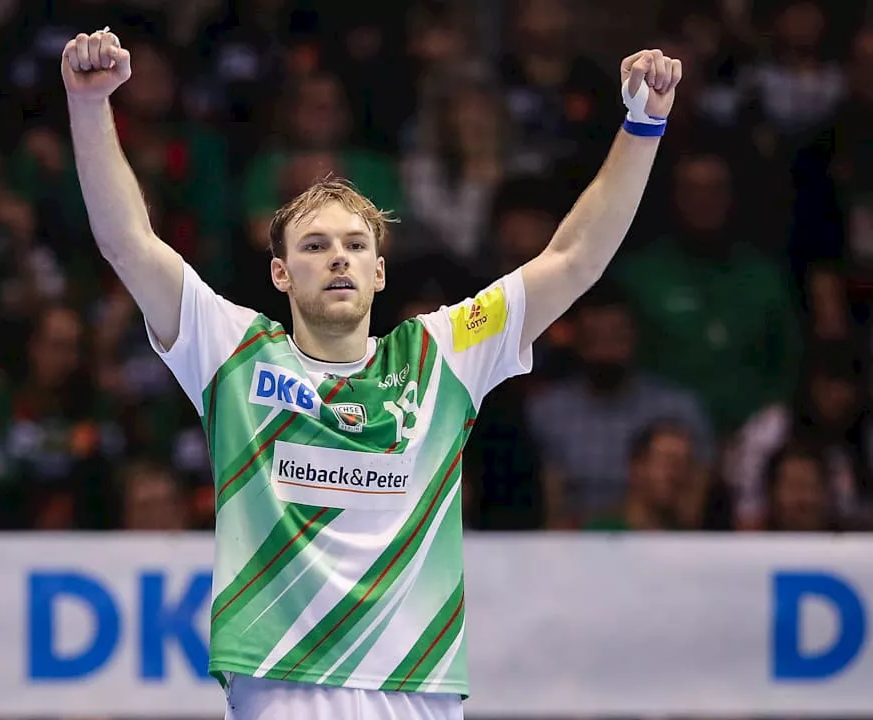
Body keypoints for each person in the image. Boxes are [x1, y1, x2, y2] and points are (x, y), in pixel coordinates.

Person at [62, 28, 681, 720]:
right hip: (282, 685)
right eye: (315, 245)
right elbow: (127, 242)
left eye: (357, 245)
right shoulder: (233, 350)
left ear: (380, 271)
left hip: (416, 688)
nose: (338, 259)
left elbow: (574, 259)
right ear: (279, 272)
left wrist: (644, 122)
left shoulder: (440, 354)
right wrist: (89, 106)